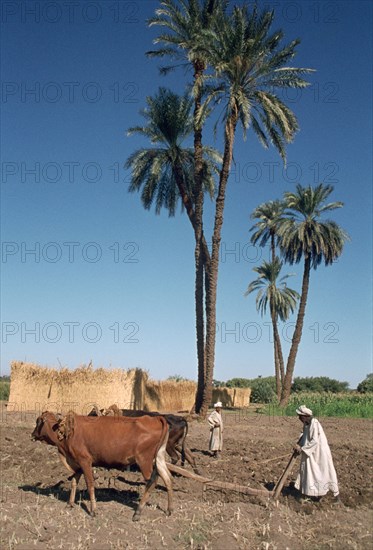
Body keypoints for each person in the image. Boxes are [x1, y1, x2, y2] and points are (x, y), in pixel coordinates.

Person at [293, 405, 340, 502]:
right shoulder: (307, 424)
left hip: (319, 454)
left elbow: (314, 441)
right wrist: (298, 444)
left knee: (324, 472)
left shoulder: (315, 424)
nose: (299, 418)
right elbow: (304, 437)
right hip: (311, 454)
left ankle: (335, 497)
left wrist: (302, 448)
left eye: (300, 416)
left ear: (305, 416)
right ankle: (309, 493)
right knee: (310, 473)